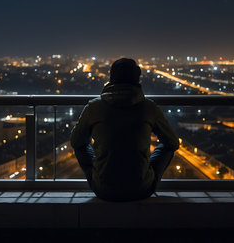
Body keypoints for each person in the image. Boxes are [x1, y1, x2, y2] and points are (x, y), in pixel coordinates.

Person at [70, 58, 179, 202]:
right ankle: (145, 176)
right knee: (168, 147)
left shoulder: (94, 107)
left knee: (80, 146)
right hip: (141, 189)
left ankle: (101, 175)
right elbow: (172, 143)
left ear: (111, 78)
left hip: (104, 190)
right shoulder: (149, 107)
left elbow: (76, 142)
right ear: (137, 79)